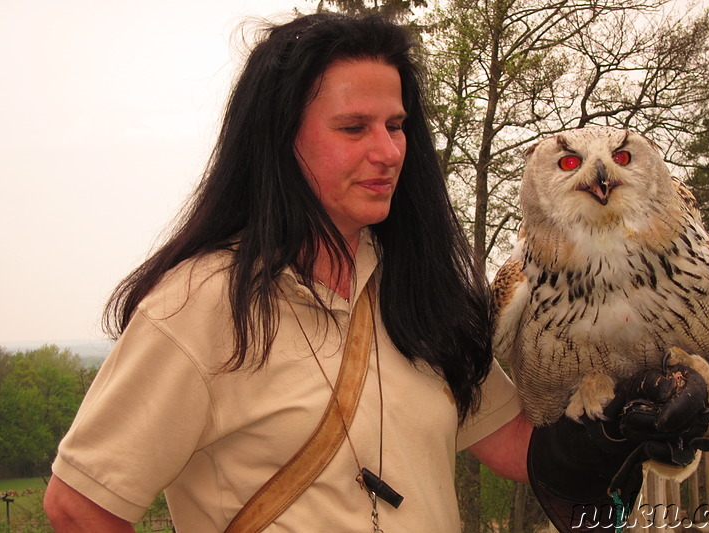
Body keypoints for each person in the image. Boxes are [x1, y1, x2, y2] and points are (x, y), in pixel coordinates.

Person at [43, 11, 532, 533]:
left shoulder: (417, 291)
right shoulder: (202, 302)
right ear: (278, 141)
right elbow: (78, 507)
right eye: (353, 128)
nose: (388, 152)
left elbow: (519, 447)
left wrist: (614, 413)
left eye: (395, 125)